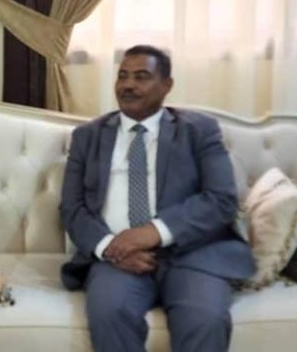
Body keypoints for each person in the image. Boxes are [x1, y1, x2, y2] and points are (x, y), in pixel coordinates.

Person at [60, 45, 255, 352]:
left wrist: (153, 232)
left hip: (192, 255)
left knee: (204, 319)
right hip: (117, 259)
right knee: (109, 312)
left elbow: (221, 200)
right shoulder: (88, 136)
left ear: (167, 85)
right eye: (122, 76)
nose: (128, 85)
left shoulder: (199, 131)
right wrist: (111, 247)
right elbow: (72, 209)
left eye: (141, 77)